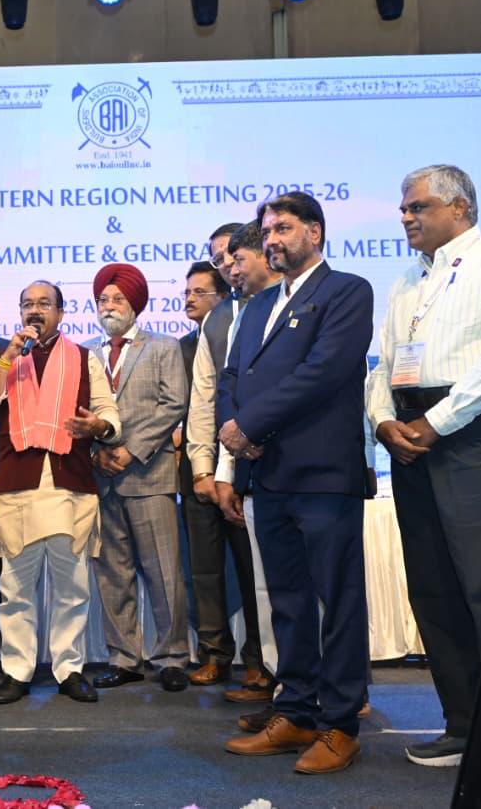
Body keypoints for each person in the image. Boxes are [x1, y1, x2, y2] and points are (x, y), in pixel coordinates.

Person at [367, 164, 481, 768]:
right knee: (433, 585)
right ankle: (463, 725)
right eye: (403, 207)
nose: (405, 216)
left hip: (470, 428)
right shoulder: (406, 281)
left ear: (459, 208)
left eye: (416, 206)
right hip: (408, 434)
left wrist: (436, 421)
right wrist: (383, 421)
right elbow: (382, 366)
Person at [217, 192, 372, 775]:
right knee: (287, 601)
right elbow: (233, 376)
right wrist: (235, 433)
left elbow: (323, 372)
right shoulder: (258, 304)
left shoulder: (347, 291)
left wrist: (250, 425)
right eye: (267, 232)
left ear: (315, 232)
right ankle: (298, 711)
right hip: (269, 473)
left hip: (324, 475)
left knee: (339, 602)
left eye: (283, 228)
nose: (272, 240)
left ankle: (341, 725)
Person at [0, 280, 120, 706]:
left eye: (44, 304)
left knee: (72, 587)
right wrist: (7, 358)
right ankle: (17, 671)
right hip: (17, 487)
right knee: (16, 589)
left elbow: (108, 414)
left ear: (60, 311)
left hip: (69, 484)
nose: (35, 311)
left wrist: (98, 427)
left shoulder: (84, 359)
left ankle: (69, 669)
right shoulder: (5, 358)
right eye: (27, 304)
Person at [185, 223, 278, 703]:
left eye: (232, 257)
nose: (227, 266)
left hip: (271, 461)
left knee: (263, 574)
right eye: (220, 259)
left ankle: (267, 666)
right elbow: (206, 400)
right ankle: (226, 657)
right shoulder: (218, 319)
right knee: (218, 571)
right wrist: (206, 469)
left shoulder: (281, 304)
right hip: (223, 463)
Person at [86, 263, 191, 693]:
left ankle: (172, 657)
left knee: (164, 573)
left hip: (150, 474)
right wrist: (95, 453)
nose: (109, 306)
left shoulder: (164, 346)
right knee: (113, 574)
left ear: (135, 305)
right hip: (102, 479)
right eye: (103, 300)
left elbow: (174, 405)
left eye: (118, 299)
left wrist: (131, 451)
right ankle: (124, 658)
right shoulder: (85, 353)